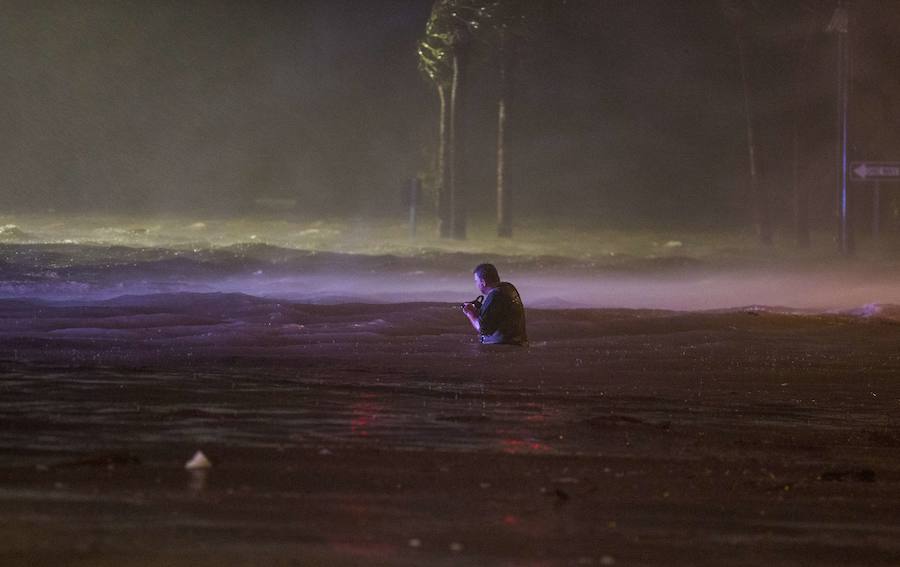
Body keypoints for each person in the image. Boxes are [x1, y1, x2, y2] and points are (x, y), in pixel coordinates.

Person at [462, 263, 528, 346]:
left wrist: (470, 312)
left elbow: (483, 328)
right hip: (519, 342)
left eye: (476, 281)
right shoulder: (509, 287)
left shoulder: (495, 295)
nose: (476, 284)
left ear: (483, 282)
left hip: (505, 345)